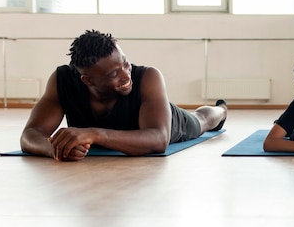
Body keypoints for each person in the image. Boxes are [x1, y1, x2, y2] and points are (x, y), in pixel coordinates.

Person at [20, 30, 227, 161]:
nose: (126, 75)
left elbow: (158, 139)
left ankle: (221, 110)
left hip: (163, 123)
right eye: (113, 74)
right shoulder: (62, 81)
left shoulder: (148, 77)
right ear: (88, 80)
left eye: (125, 63)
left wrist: (96, 134)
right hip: (124, 132)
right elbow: (30, 134)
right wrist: (55, 149)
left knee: (203, 119)